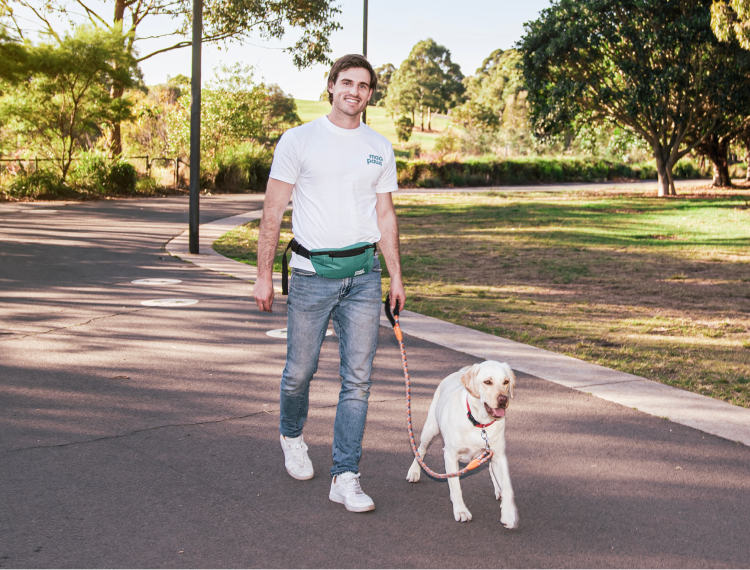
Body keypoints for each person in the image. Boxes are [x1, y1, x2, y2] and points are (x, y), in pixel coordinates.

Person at [252, 54, 406, 513]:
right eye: (346, 83)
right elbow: (273, 211)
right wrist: (262, 275)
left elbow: (385, 214)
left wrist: (396, 275)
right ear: (331, 86)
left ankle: (346, 474)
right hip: (310, 276)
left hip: (364, 277)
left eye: (363, 85)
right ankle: (292, 434)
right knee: (299, 373)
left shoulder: (379, 147)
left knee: (357, 381)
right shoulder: (299, 140)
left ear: (370, 94)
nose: (354, 91)